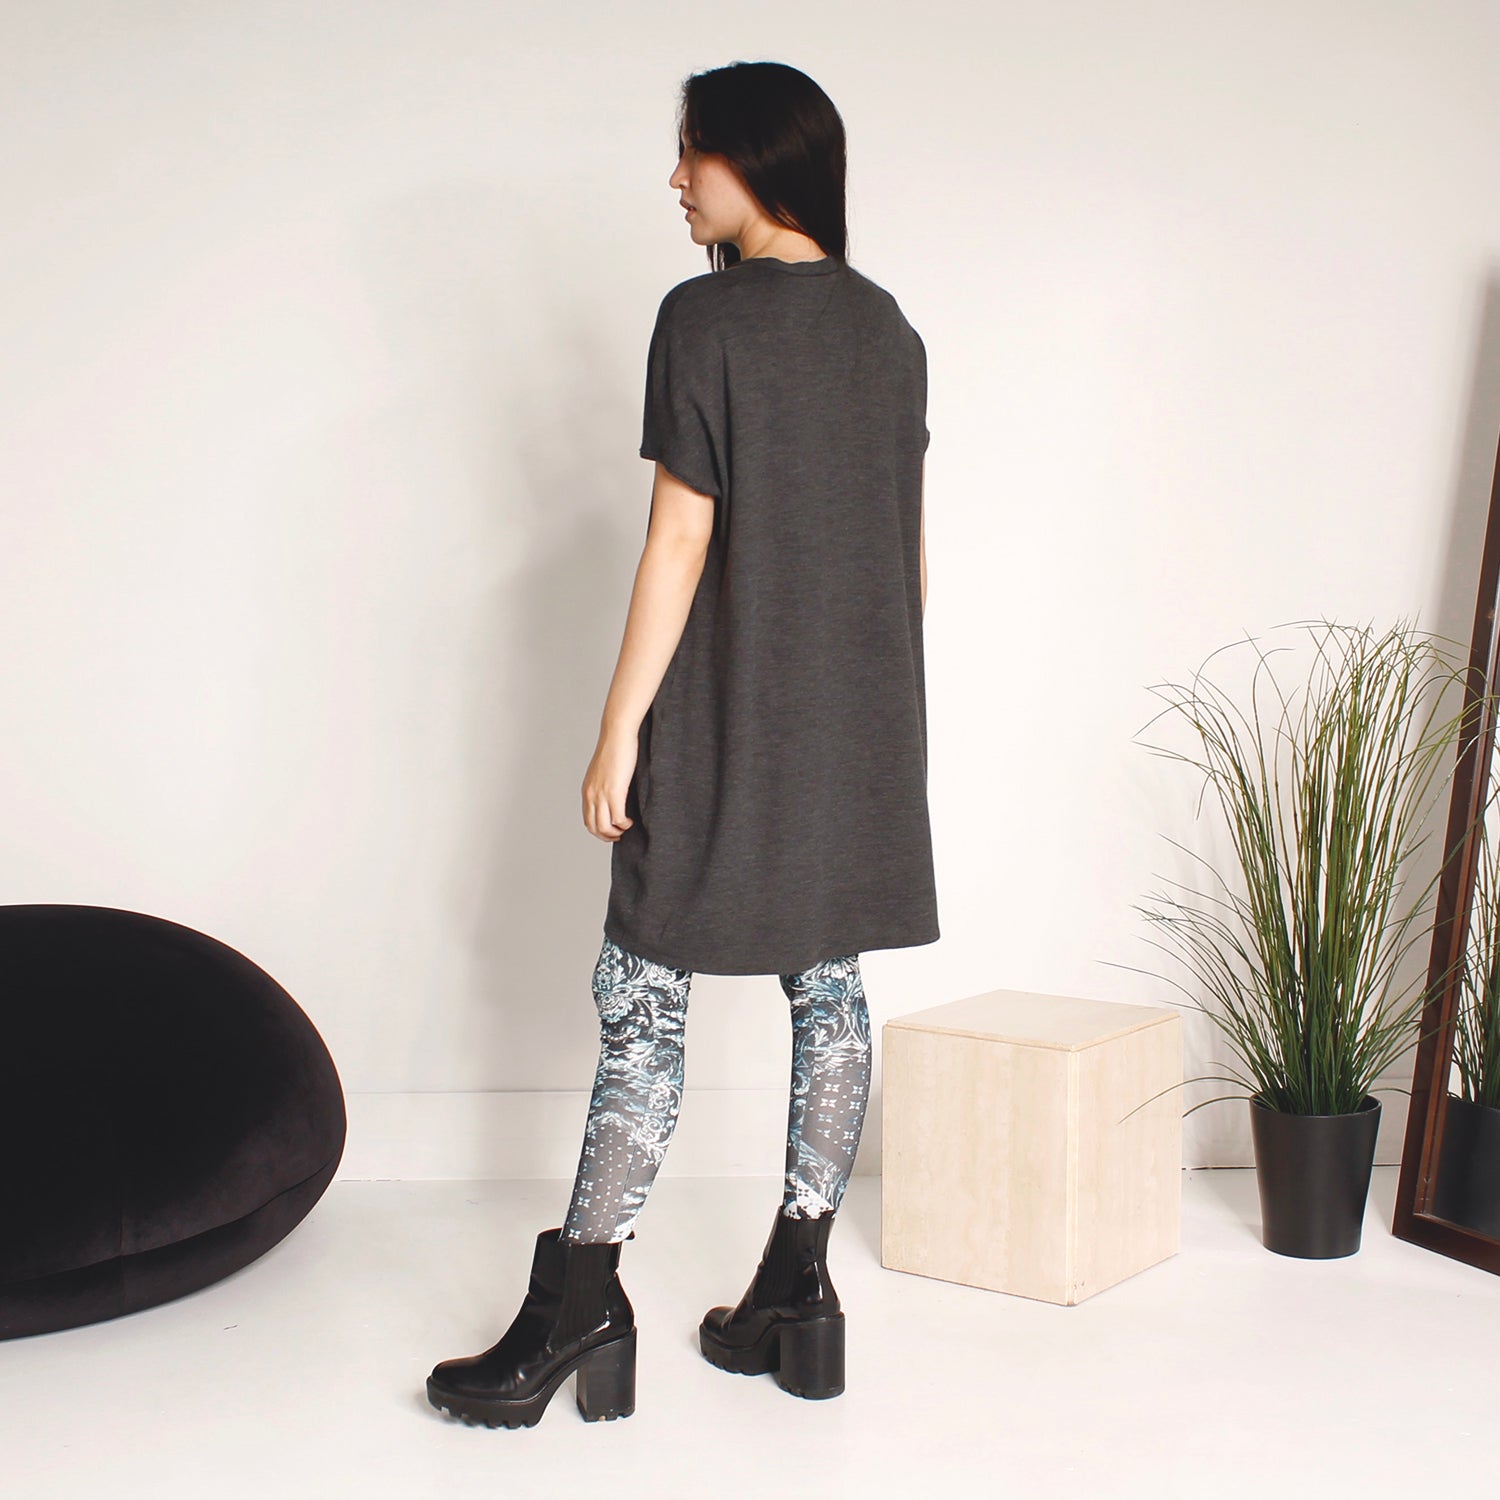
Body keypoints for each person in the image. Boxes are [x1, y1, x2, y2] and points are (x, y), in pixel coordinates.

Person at [426, 59, 937, 1429]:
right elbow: (911, 559)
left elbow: (681, 533)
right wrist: (876, 716)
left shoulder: (704, 316)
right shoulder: (891, 332)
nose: (675, 178)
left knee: (643, 989)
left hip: (726, 714)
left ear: (756, 161)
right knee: (828, 986)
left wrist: (619, 732)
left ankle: (581, 1304)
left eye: (692, 152)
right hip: (864, 718)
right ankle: (799, 1293)